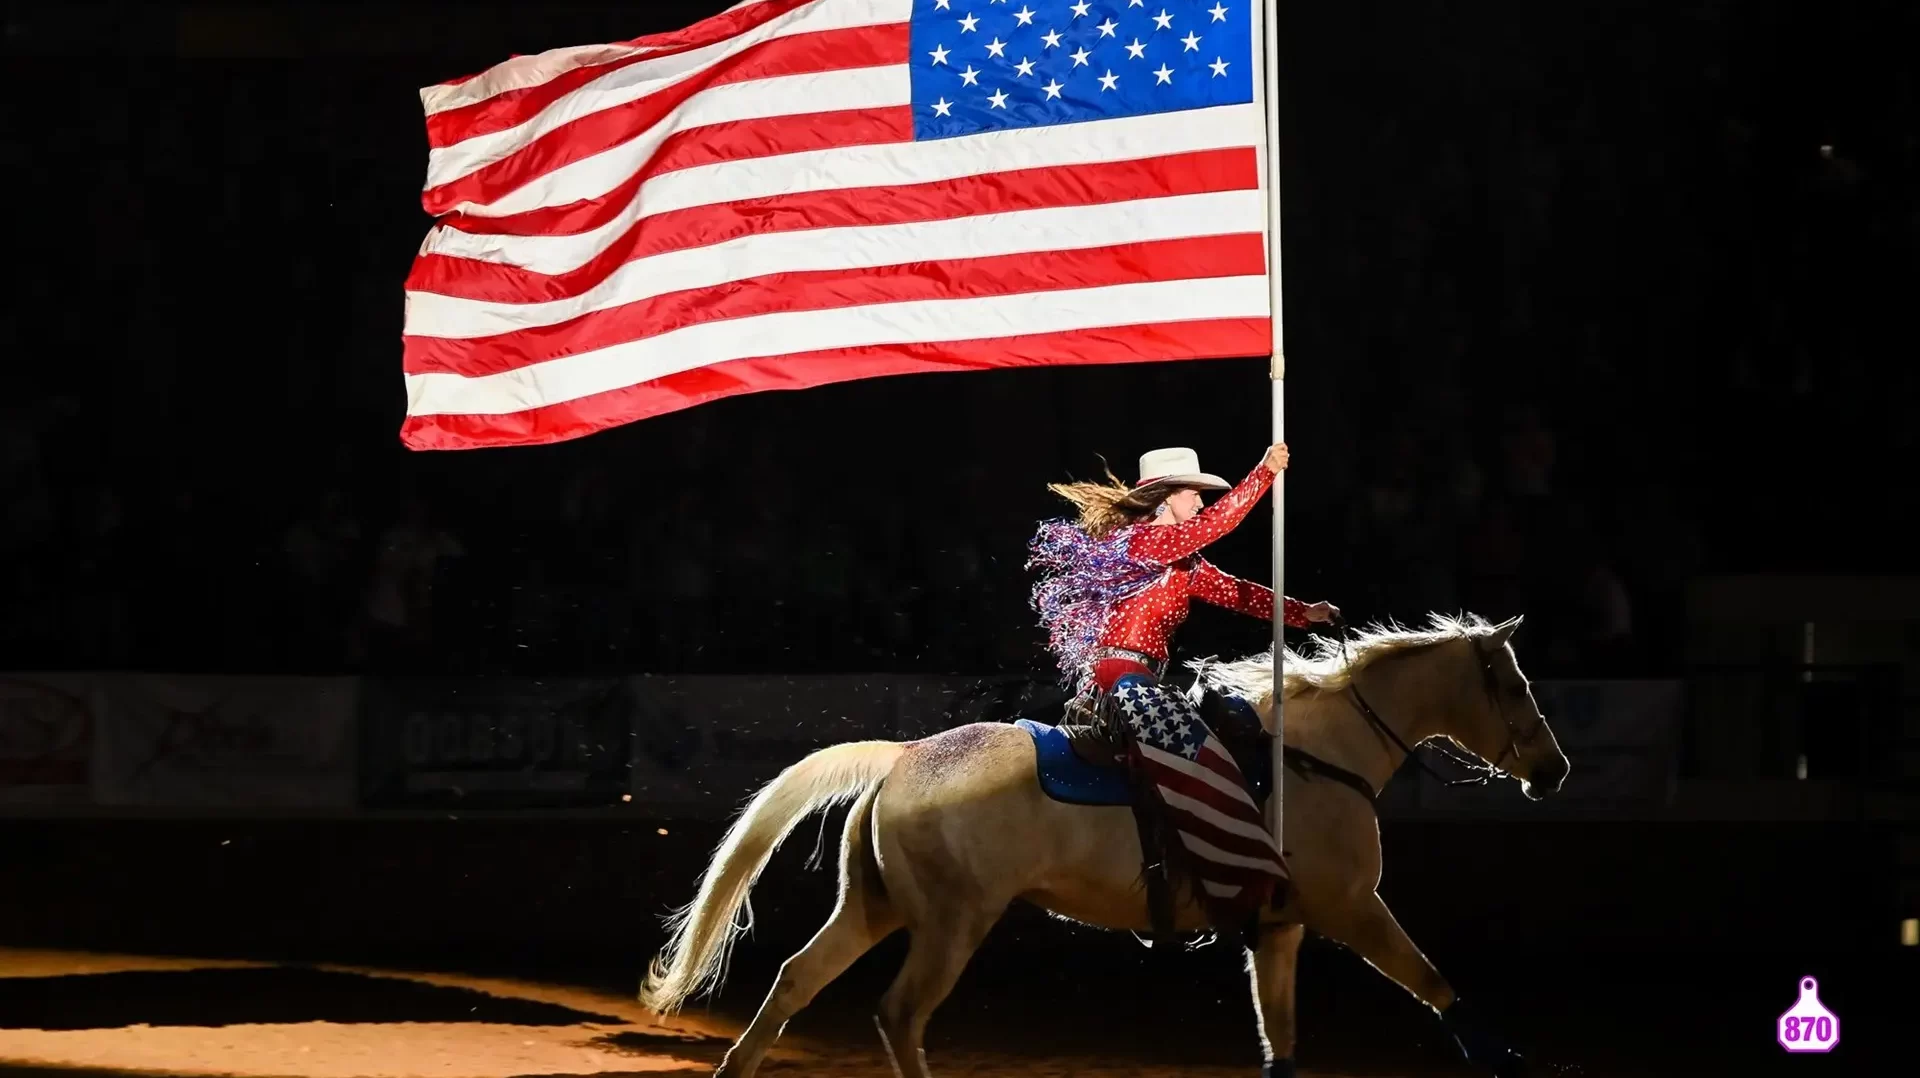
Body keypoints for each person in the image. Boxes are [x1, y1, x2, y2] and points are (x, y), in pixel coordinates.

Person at [1028, 443, 1337, 926]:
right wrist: (1262, 474)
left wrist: (1302, 612)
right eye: (1193, 493)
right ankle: (1233, 881)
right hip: (1121, 678)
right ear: (1167, 497)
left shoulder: (1180, 561)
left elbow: (1237, 592)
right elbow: (1218, 524)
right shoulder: (1143, 543)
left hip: (1144, 678)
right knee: (1198, 751)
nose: (1198, 502)